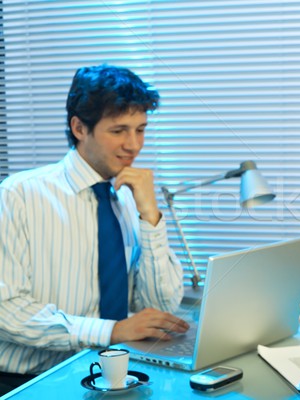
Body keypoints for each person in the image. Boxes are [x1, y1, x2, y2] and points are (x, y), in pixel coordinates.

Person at [0, 64, 189, 394]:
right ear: (79, 128)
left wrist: (151, 217)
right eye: (119, 131)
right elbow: (7, 310)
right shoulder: (18, 196)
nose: (134, 145)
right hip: (31, 382)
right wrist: (111, 331)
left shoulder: (129, 197)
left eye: (141, 129)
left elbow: (161, 305)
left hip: (114, 376)